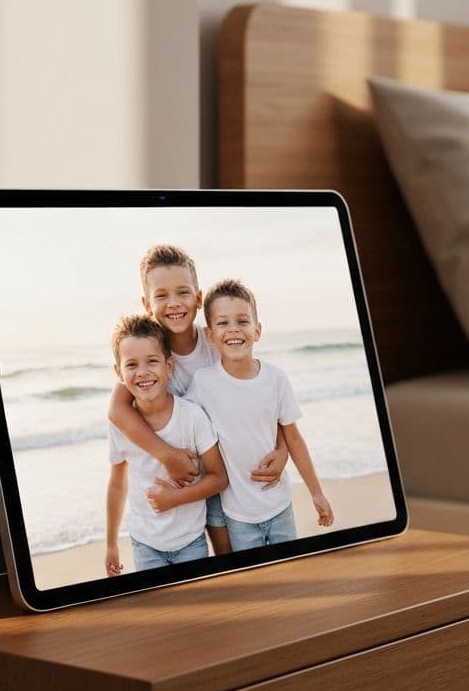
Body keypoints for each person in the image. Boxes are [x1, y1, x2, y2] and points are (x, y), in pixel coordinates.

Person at [107, 244, 289, 555]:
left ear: (199, 298)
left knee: (236, 557)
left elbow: (260, 393)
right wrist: (167, 456)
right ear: (146, 304)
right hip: (190, 478)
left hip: (230, 474)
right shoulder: (150, 353)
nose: (174, 303)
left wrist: (283, 448)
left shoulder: (216, 343)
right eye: (161, 295)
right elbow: (117, 409)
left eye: (182, 293)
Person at [187, 279, 334, 552]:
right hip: (238, 514)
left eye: (242, 321)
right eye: (222, 323)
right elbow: (182, 423)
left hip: (279, 506)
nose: (233, 329)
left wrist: (317, 493)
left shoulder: (276, 379)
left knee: (289, 573)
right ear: (209, 335)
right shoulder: (203, 383)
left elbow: (294, 438)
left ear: (258, 330)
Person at [104, 314, 228, 576]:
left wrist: (175, 499)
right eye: (132, 365)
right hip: (145, 543)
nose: (143, 372)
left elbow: (219, 477)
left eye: (152, 361)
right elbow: (117, 483)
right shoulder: (120, 425)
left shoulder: (192, 417)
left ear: (168, 365)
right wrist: (111, 542)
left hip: (190, 541)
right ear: (118, 372)